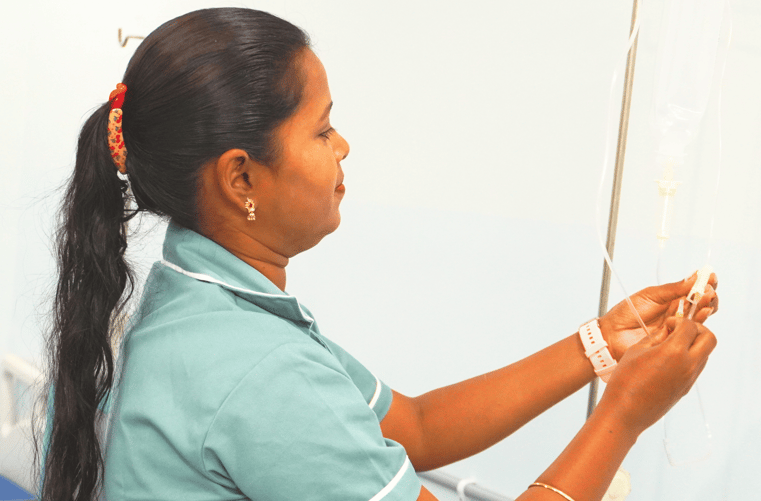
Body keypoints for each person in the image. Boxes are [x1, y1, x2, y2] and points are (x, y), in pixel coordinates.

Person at [37, 7, 719, 501]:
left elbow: (417, 426)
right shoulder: (259, 371)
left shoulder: (202, 303)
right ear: (241, 178)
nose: (344, 147)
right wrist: (624, 412)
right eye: (322, 129)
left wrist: (599, 345)